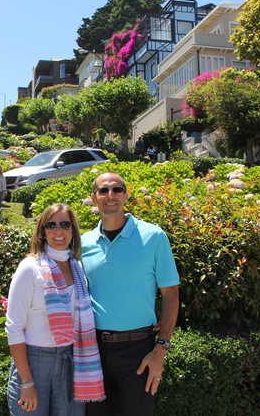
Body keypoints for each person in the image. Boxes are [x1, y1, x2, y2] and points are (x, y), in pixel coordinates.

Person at [82, 172, 180, 416]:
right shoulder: (83, 243)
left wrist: (161, 350)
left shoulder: (153, 236)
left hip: (139, 352)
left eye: (117, 189)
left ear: (126, 194)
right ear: (94, 198)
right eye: (103, 191)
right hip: (94, 353)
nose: (110, 195)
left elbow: (171, 294)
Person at [6, 204, 105, 415]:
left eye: (64, 224)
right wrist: (26, 382)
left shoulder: (76, 266)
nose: (58, 231)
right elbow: (14, 328)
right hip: (35, 363)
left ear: (72, 230)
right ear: (42, 231)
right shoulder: (29, 268)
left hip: (70, 360)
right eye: (51, 225)